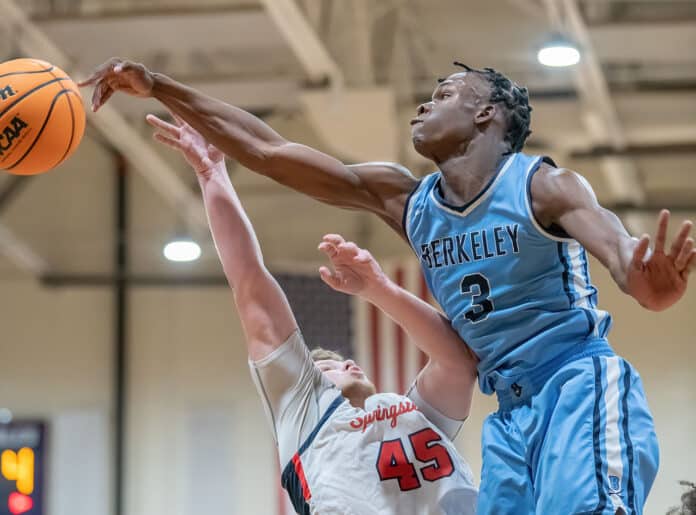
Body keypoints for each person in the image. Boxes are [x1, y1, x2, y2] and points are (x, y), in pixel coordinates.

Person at [81, 58, 695, 514]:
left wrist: (651, 286)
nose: (423, 106)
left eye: (444, 94)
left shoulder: (543, 187)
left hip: (574, 382)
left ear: (487, 114)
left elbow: (622, 256)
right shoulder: (406, 199)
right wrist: (160, 86)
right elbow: (268, 151)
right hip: (508, 412)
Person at [147, 112, 479, 514]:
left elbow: (457, 363)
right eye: (329, 367)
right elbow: (250, 280)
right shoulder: (303, 411)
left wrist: (379, 288)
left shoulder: (413, 413)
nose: (349, 362)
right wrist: (211, 172)